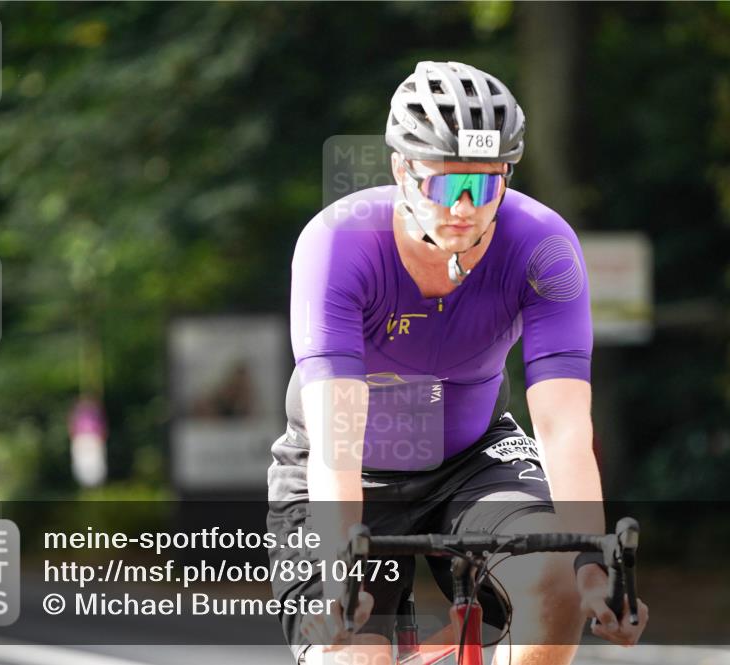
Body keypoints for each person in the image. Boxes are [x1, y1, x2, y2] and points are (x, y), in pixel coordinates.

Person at [267, 60, 648, 665]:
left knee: (554, 588)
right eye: (446, 185)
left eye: (486, 184)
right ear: (402, 170)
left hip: (472, 461)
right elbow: (337, 444)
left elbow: (563, 431)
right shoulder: (338, 244)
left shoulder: (544, 246)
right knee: (353, 656)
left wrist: (592, 566)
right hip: (348, 468)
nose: (465, 207)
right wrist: (339, 564)